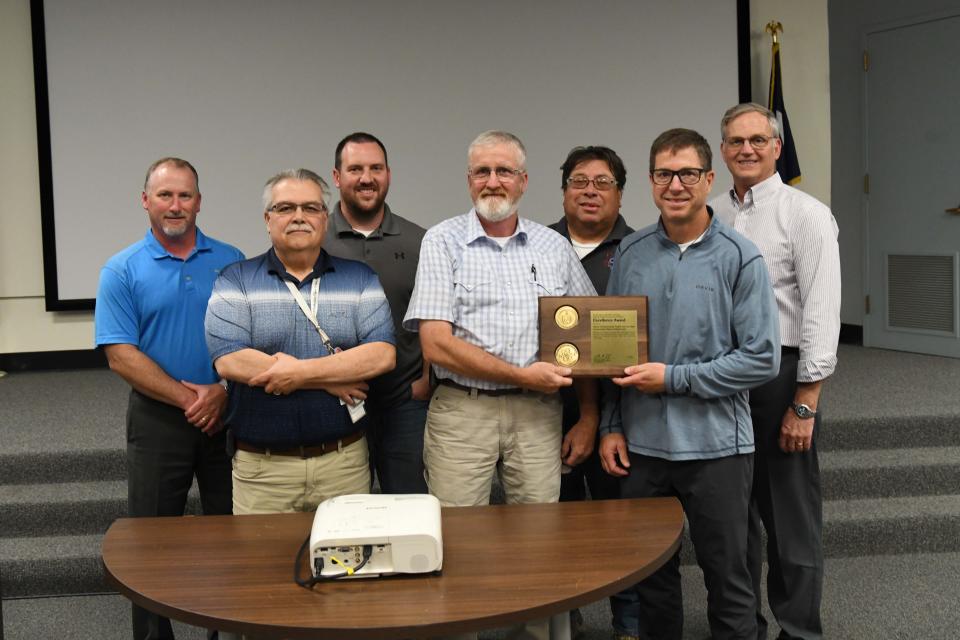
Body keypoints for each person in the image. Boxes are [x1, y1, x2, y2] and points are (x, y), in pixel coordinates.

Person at [403, 130, 597, 640]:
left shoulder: (554, 248)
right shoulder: (442, 241)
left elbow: (590, 337)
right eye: (482, 172)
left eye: (504, 171)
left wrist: (591, 417)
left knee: (538, 543)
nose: (493, 181)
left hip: (539, 415)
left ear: (524, 181)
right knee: (455, 540)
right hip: (462, 412)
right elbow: (436, 345)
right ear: (469, 181)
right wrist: (519, 373)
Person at [599, 129, 780, 640]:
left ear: (708, 179)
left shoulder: (740, 257)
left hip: (718, 447)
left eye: (687, 174)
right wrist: (612, 425)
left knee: (730, 579)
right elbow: (614, 352)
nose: (675, 185)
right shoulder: (630, 254)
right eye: (663, 174)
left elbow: (761, 359)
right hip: (642, 447)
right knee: (652, 581)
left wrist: (673, 379)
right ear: (652, 181)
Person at [95, 157, 244, 640]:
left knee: (236, 539)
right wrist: (190, 399)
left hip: (228, 414)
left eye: (184, 196)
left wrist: (222, 393)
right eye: (164, 195)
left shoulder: (233, 260)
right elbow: (121, 356)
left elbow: (253, 339)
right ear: (146, 201)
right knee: (150, 546)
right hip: (159, 420)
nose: (175, 206)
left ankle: (231, 631)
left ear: (199, 202)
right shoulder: (120, 270)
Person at [712, 103, 841, 640]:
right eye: (736, 141)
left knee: (789, 522)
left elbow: (821, 309)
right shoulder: (710, 213)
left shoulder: (804, 213)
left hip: (780, 379)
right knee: (731, 519)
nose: (746, 149)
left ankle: (799, 632)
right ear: (721, 150)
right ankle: (744, 628)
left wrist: (805, 402)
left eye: (758, 140)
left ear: (776, 147)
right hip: (719, 382)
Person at [204, 168, 395, 515]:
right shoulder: (237, 280)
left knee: (346, 567)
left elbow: (381, 355)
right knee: (261, 569)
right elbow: (230, 360)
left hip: (343, 463)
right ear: (267, 219)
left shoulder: (360, 278)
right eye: (285, 208)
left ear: (325, 218)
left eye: (310, 208)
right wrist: (331, 379)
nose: (298, 217)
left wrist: (301, 374)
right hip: (263, 471)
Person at [549, 145, 636, 639]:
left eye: (603, 183)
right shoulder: (535, 244)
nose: (590, 191)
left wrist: (599, 418)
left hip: (618, 414)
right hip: (544, 410)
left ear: (620, 193)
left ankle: (630, 625)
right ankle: (565, 621)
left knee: (618, 523)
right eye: (579, 181)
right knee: (553, 526)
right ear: (563, 190)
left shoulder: (642, 248)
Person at [323, 132, 429, 494]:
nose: (367, 177)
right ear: (337, 177)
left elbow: (438, 317)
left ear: (388, 174)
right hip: (333, 401)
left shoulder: (421, 242)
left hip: (405, 404)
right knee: (343, 515)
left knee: (410, 508)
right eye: (355, 169)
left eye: (376, 168)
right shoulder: (314, 240)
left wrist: (427, 381)